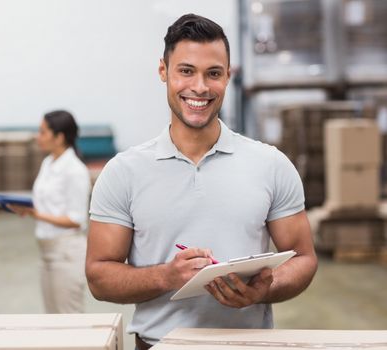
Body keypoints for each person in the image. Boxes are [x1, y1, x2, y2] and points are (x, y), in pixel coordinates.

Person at [85, 14, 318, 349]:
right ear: (163, 71)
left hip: (248, 345)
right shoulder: (124, 172)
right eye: (186, 71)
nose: (200, 87)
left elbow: (304, 258)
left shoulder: (270, 165)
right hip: (157, 344)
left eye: (213, 74)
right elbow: (98, 276)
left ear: (228, 76)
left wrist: (265, 288)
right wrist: (166, 276)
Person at [9, 110, 91, 314]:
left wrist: (35, 214)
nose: (38, 137)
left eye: (43, 132)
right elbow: (45, 204)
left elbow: (76, 219)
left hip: (66, 252)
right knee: (53, 318)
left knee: (69, 319)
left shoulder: (75, 170)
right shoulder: (48, 163)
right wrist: (26, 209)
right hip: (46, 251)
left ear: (59, 137)